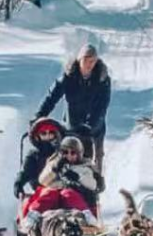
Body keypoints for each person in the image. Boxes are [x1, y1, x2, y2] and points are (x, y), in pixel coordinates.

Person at [36, 43, 111, 172]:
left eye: (93, 61)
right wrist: (39, 117)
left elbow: (101, 107)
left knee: (92, 160)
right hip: (71, 126)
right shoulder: (68, 77)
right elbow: (51, 97)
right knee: (68, 157)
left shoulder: (102, 79)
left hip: (94, 128)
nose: (90, 64)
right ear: (79, 60)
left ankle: (96, 184)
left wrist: (90, 126)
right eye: (86, 60)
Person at [21, 136, 104, 230]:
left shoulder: (84, 167)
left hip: (73, 199)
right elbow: (42, 180)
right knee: (49, 193)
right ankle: (33, 215)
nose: (69, 156)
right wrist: (54, 170)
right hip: (53, 198)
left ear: (79, 154)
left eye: (73, 153)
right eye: (65, 152)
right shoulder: (54, 163)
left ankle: (87, 215)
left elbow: (92, 185)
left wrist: (77, 177)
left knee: (68, 193)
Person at [14, 117, 65, 200]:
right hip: (42, 193)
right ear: (37, 136)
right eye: (43, 133)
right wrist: (18, 184)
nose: (48, 136)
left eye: (51, 132)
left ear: (56, 134)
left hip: (63, 190)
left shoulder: (64, 152)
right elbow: (25, 172)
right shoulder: (34, 155)